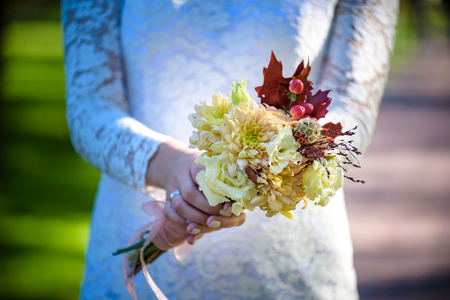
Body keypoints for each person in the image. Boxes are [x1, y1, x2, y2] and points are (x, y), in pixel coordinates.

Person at [62, 0, 398, 299]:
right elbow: (90, 109)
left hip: (293, 262)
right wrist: (172, 167)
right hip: (135, 217)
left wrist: (268, 166)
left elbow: (352, 108)